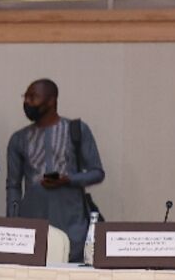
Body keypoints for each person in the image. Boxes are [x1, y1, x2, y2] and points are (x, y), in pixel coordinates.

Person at [6, 78, 105, 261]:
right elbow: (13, 185)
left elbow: (97, 172)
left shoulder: (76, 130)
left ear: (51, 100)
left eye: (33, 97)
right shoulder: (18, 139)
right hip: (32, 218)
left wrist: (68, 179)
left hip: (72, 219)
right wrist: (12, 222)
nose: (27, 102)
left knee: (72, 271)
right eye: (25, 97)